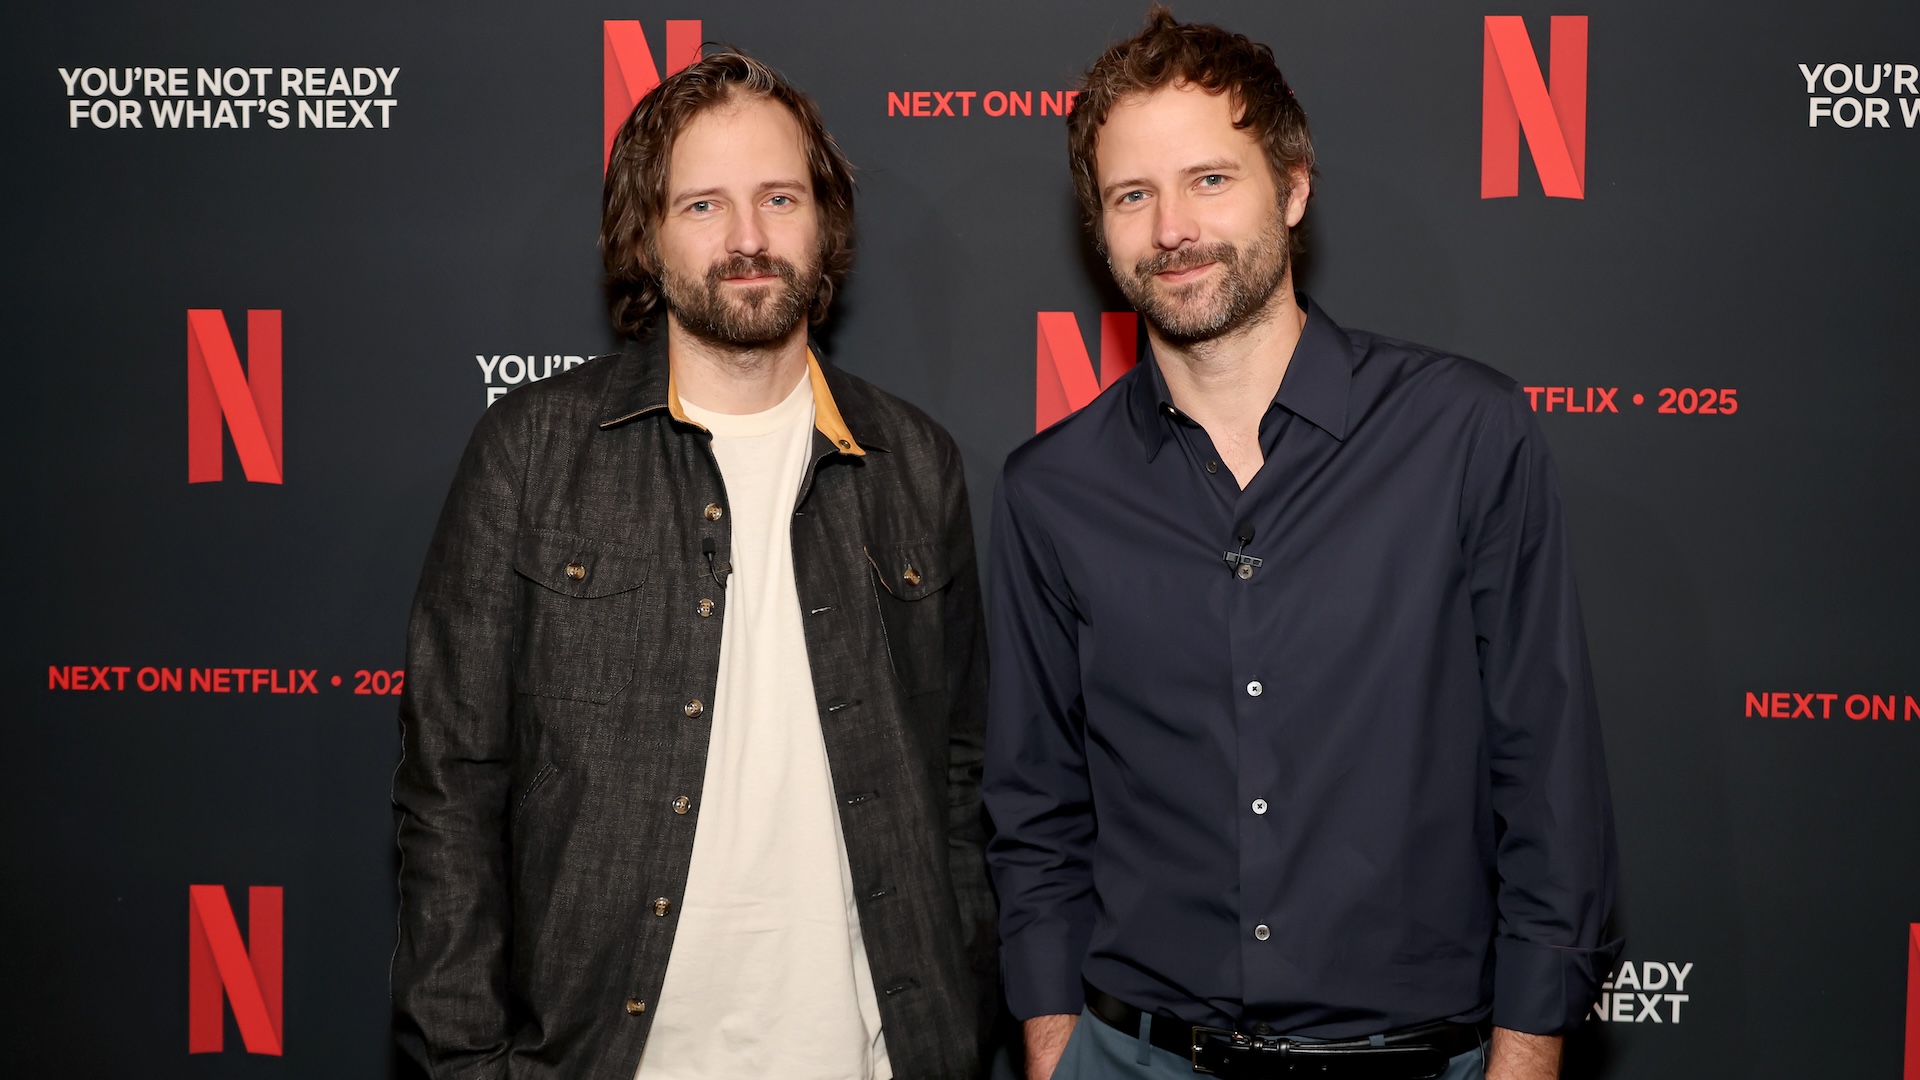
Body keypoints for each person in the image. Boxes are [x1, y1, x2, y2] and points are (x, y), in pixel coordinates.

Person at [983, 10, 1617, 1080]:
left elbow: (1546, 771)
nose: (1172, 227)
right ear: (1102, 228)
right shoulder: (1051, 490)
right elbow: (1034, 807)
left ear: (1292, 187)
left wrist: (1527, 1051)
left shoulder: (1463, 433)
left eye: (1210, 180)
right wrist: (1052, 1045)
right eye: (1133, 195)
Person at [392, 51, 995, 1080]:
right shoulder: (533, 453)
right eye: (704, 204)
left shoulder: (914, 465)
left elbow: (958, 780)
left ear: (826, 224)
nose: (749, 239)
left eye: (779, 198)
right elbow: (451, 791)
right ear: (647, 234)